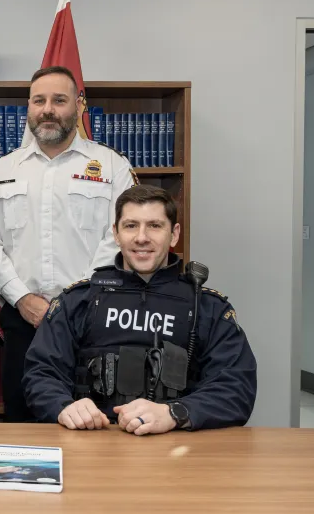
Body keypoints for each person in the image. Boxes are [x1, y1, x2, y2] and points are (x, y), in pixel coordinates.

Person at [0, 65, 138, 422]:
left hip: (94, 320)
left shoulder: (111, 166)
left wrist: (77, 299)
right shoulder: (2, 170)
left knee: (97, 424)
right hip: (25, 321)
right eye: (39, 100)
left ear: (78, 106)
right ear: (28, 107)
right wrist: (22, 299)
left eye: (59, 100)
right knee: (25, 422)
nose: (47, 109)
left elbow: (121, 237)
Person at [23, 185, 257, 434]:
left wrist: (175, 412)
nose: (141, 237)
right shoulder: (78, 301)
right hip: (92, 440)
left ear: (174, 234)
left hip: (179, 447)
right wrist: (64, 406)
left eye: (154, 226)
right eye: (131, 225)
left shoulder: (208, 308)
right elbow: (41, 373)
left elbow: (236, 388)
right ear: (116, 233)